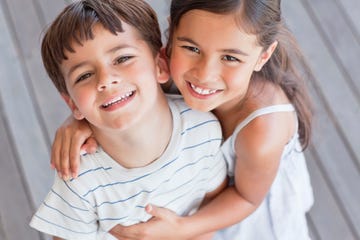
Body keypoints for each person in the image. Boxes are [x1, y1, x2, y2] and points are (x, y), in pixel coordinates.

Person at [51, 0, 315, 239]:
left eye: (230, 58)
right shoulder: (170, 71)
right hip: (192, 200)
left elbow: (247, 198)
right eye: (191, 48)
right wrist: (80, 120)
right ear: (171, 36)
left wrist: (182, 229)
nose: (204, 73)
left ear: (263, 56)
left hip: (244, 215)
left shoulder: (262, 132)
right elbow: (120, 92)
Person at [29, 0, 228, 239]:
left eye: (122, 59)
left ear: (160, 64)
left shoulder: (203, 130)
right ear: (72, 103)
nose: (105, 80)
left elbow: (212, 206)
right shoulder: (79, 178)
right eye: (85, 75)